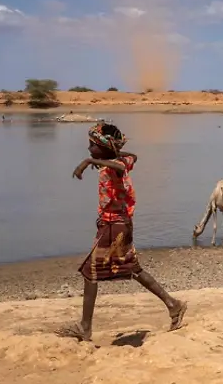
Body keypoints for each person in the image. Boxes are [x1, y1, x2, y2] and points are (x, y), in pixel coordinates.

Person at [56, 122, 187, 342]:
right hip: (118, 224)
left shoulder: (115, 167)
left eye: (92, 146)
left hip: (114, 225)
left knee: (91, 272)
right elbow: (133, 156)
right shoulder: (119, 160)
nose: (88, 149)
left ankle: (85, 328)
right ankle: (173, 305)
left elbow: (121, 167)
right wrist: (107, 155)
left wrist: (90, 161)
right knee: (132, 268)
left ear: (103, 149)